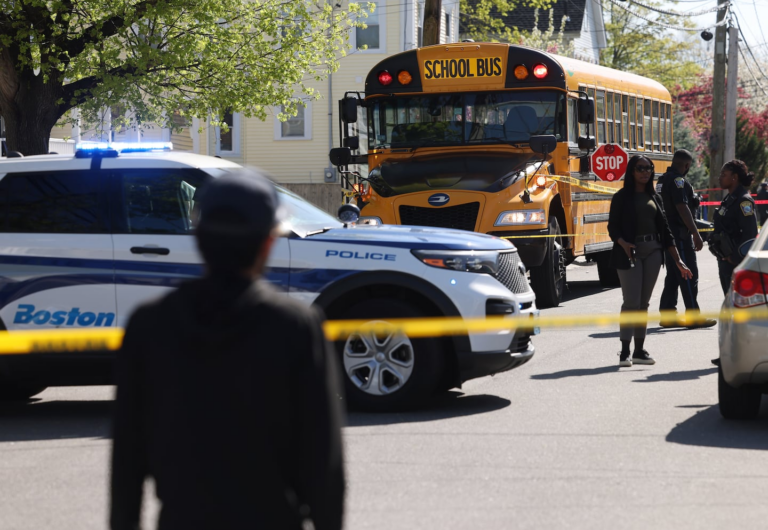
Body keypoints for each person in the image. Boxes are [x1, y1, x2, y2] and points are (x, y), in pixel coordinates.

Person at [111, 169, 345, 530]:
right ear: (268, 241)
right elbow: (321, 458)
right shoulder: (295, 326)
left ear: (199, 237)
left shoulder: (150, 325)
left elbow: (127, 456)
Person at [608, 155, 693, 367]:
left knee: (644, 304)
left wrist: (679, 261)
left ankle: (639, 351)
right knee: (631, 303)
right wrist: (623, 243)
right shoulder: (621, 197)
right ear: (632, 171)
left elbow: (666, 232)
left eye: (649, 168)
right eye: (640, 168)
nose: (645, 172)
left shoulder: (655, 198)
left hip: (654, 251)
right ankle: (625, 351)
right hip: (630, 252)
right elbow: (612, 227)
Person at [656, 150, 716, 329]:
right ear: (686, 165)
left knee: (674, 275)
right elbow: (682, 207)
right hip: (680, 236)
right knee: (689, 274)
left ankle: (667, 314)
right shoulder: (678, 181)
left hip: (667, 235)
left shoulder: (662, 180)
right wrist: (696, 233)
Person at [710, 159, 759, 294]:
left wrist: (735, 258)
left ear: (734, 177)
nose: (720, 178)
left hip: (734, 262)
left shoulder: (744, 201)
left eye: (723, 174)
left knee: (735, 305)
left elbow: (750, 234)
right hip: (724, 259)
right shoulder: (729, 199)